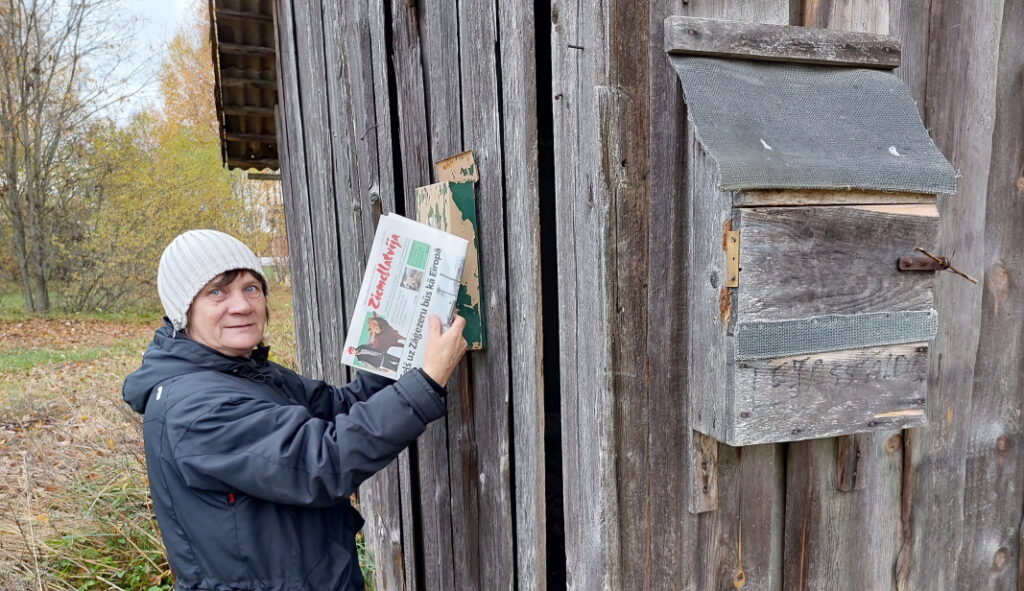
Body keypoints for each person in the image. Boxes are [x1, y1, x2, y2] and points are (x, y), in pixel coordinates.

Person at [122, 229, 467, 591]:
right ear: (183, 310)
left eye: (251, 288)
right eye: (216, 292)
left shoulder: (243, 371)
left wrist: (384, 350)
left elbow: (337, 408)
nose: (241, 305)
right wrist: (427, 381)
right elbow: (322, 461)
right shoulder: (196, 408)